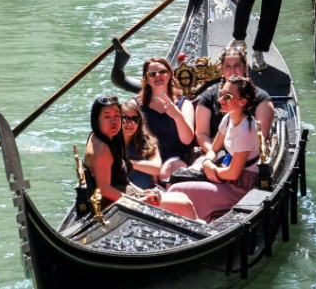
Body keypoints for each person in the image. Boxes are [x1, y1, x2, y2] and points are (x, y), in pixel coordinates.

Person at [82, 96, 198, 218]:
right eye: (107, 116)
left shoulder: (100, 136)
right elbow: (104, 189)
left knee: (182, 197)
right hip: (118, 205)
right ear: (96, 119)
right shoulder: (101, 148)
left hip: (127, 195)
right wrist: (138, 202)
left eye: (117, 116)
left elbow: (122, 181)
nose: (114, 121)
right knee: (185, 204)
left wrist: (141, 192)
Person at [168, 76, 262, 220]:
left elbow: (233, 174)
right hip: (224, 175)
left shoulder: (246, 131)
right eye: (221, 94)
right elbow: (214, 148)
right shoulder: (229, 118)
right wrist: (207, 163)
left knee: (176, 190)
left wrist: (213, 172)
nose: (221, 100)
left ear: (242, 102)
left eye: (228, 97)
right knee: (177, 180)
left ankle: (193, 225)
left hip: (240, 187)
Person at [108, 49, 196, 182]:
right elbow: (117, 130)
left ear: (170, 74)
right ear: (147, 79)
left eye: (162, 72)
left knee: (175, 170)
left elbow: (187, 140)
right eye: (152, 74)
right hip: (143, 156)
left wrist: (177, 116)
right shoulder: (135, 104)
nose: (158, 76)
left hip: (172, 159)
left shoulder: (184, 104)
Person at [193, 46, 274, 156]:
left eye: (237, 65)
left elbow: (260, 140)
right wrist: (213, 154)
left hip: (247, 158)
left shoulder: (262, 99)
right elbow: (202, 133)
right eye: (228, 66)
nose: (233, 71)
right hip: (215, 152)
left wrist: (233, 160)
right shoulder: (208, 97)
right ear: (222, 69)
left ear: (245, 67)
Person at [121, 99, 162, 189]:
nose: (130, 123)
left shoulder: (148, 142)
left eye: (135, 119)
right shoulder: (109, 143)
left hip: (148, 191)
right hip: (124, 194)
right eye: (125, 118)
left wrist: (127, 163)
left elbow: (156, 169)